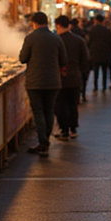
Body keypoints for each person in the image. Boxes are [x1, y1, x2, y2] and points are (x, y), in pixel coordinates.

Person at [19, 11, 67, 156]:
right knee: (49, 111)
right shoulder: (56, 38)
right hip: (53, 81)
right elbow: (64, 60)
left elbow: (22, 58)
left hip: (35, 82)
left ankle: (43, 142)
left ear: (34, 23)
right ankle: (45, 140)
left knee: (38, 112)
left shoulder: (30, 38)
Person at [54, 15, 89, 139]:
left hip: (60, 77)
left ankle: (64, 131)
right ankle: (73, 129)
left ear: (58, 25)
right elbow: (85, 59)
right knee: (73, 104)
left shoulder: (56, 40)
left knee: (61, 104)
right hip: (75, 77)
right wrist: (82, 74)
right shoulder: (79, 40)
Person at [87, 13, 111, 91]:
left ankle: (95, 86)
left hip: (95, 53)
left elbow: (88, 42)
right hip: (105, 53)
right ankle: (104, 86)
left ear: (96, 20)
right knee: (104, 71)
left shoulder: (91, 30)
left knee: (96, 71)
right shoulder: (107, 31)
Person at [70, 18, 90, 102]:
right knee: (83, 78)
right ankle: (83, 94)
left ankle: (76, 96)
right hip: (80, 59)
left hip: (72, 60)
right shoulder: (82, 33)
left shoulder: (68, 34)